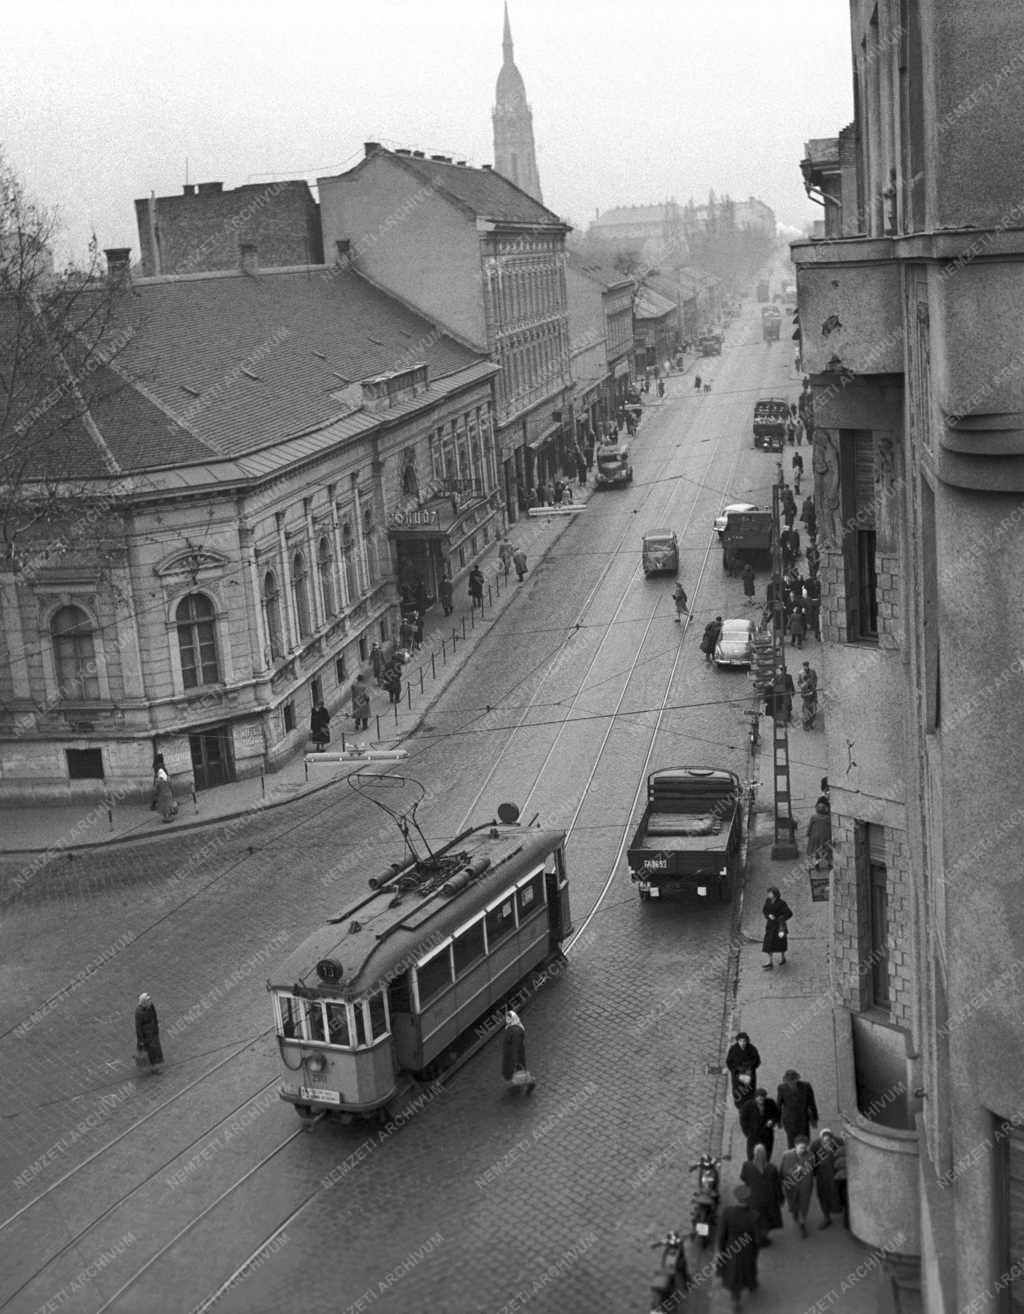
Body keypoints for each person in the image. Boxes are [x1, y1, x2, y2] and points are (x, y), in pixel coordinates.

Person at [715, 1184, 760, 1311]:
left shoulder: (728, 1213)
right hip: (748, 1250)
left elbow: (722, 1234)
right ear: (749, 1199)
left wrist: (721, 1249)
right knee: (749, 1269)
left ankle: (736, 1301)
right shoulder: (754, 1216)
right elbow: (757, 1238)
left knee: (733, 1275)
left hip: (731, 1248)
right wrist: (755, 1250)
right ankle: (751, 1284)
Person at [740, 1144, 784, 1245]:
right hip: (769, 1201)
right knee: (767, 1222)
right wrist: (780, 1199)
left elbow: (743, 1178)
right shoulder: (772, 1168)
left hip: (753, 1199)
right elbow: (777, 1186)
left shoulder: (747, 1165)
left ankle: (755, 1236)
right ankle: (762, 1238)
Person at [810, 1128, 846, 1228]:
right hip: (822, 1177)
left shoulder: (839, 1142)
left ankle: (846, 1217)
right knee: (823, 1197)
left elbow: (844, 1156)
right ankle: (826, 1217)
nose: (827, 1144)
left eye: (829, 1141)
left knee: (841, 1196)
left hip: (837, 1177)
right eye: (824, 1142)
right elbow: (811, 1160)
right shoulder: (815, 1145)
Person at [780, 1138, 815, 1237]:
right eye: (801, 1148)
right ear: (795, 1146)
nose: (803, 1150)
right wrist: (795, 1169)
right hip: (791, 1185)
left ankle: (802, 1223)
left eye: (804, 1148)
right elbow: (783, 1170)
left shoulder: (810, 1156)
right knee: (792, 1202)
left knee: (804, 1205)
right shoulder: (787, 1155)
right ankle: (795, 1211)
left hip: (805, 1186)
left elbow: (810, 1171)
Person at [777, 1069, 820, 1148]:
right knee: (791, 1142)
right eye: (789, 1080)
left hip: (802, 1118)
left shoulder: (806, 1086)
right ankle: (793, 1158)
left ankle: (804, 1158)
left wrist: (814, 1118)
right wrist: (778, 1121)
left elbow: (812, 1103)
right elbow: (779, 1104)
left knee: (804, 1141)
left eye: (793, 1080)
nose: (791, 1082)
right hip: (789, 1119)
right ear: (786, 1080)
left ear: (797, 1079)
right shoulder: (781, 1088)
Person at [739, 1087, 780, 1161]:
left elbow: (777, 1114)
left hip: (767, 1134)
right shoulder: (748, 1106)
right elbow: (743, 1121)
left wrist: (772, 1121)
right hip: (753, 1135)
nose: (761, 1100)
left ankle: (765, 1169)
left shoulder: (770, 1103)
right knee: (752, 1156)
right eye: (759, 1098)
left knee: (766, 1154)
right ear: (755, 1098)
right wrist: (748, 1133)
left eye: (762, 1098)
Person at [501, 1010, 535, 1094]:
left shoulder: (515, 1031)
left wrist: (514, 1059)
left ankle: (529, 1082)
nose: (507, 1020)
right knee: (516, 1071)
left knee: (516, 1071)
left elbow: (515, 1046)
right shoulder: (512, 1027)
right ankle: (517, 1086)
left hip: (514, 1056)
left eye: (509, 1018)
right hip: (512, 1055)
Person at [725, 1031, 761, 1108]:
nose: (743, 1043)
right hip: (738, 1075)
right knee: (739, 1092)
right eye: (741, 1041)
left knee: (749, 1091)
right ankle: (740, 1106)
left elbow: (757, 1061)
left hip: (749, 1075)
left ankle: (750, 1105)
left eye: (744, 1041)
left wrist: (750, 1067)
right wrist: (735, 1070)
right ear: (738, 1041)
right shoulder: (733, 1050)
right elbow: (729, 1062)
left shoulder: (752, 1049)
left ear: (747, 1041)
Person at [761, 885, 793, 970]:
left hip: (779, 926)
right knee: (768, 944)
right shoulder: (768, 901)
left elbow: (789, 913)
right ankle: (769, 962)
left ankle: (783, 957)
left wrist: (780, 918)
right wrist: (768, 915)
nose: (768, 895)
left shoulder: (781, 903)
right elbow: (764, 910)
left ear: (775, 894)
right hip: (770, 926)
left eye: (770, 893)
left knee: (781, 943)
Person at [135, 992, 163, 1074]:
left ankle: (153, 1066)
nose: (150, 1001)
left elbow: (154, 1015)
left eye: (149, 1000)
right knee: (151, 1051)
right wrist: (141, 1040)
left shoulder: (151, 1006)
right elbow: (138, 1027)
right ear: (143, 1002)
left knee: (155, 1049)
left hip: (153, 1031)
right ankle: (154, 1068)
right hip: (146, 1035)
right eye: (148, 1000)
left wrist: (156, 1025)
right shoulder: (139, 1012)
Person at [806, 799, 832, 871]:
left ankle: (817, 864)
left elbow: (810, 826)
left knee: (817, 851)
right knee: (828, 850)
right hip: (825, 837)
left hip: (815, 837)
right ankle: (829, 864)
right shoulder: (827, 818)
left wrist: (808, 833)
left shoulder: (813, 817)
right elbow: (830, 827)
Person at [151, 756, 177, 823]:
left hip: (162, 795)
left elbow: (156, 789)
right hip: (168, 794)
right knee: (169, 805)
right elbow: (171, 786)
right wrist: (172, 792)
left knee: (164, 807)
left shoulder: (158, 781)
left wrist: (157, 793)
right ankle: (169, 817)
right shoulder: (167, 778)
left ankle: (166, 817)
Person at [798, 662, 819, 730]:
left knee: (813, 710)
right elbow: (799, 682)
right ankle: (805, 725)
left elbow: (815, 678)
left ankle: (810, 724)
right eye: (804, 666)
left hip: (813, 693)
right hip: (806, 695)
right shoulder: (801, 673)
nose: (805, 667)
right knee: (806, 711)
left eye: (806, 666)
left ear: (808, 666)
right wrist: (803, 686)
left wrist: (814, 686)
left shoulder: (812, 671)